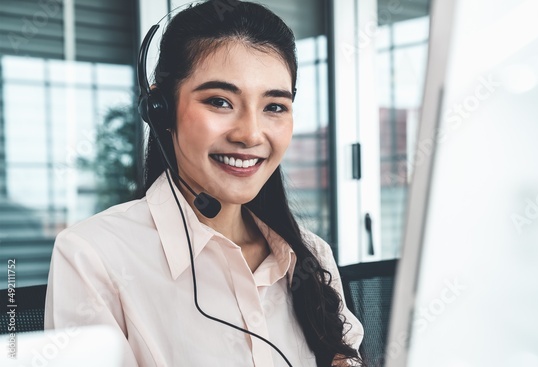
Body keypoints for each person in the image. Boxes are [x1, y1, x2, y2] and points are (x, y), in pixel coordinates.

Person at [43, 2, 364, 366]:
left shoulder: (309, 254)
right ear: (160, 110)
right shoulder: (93, 255)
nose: (250, 134)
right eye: (219, 101)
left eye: (274, 106)